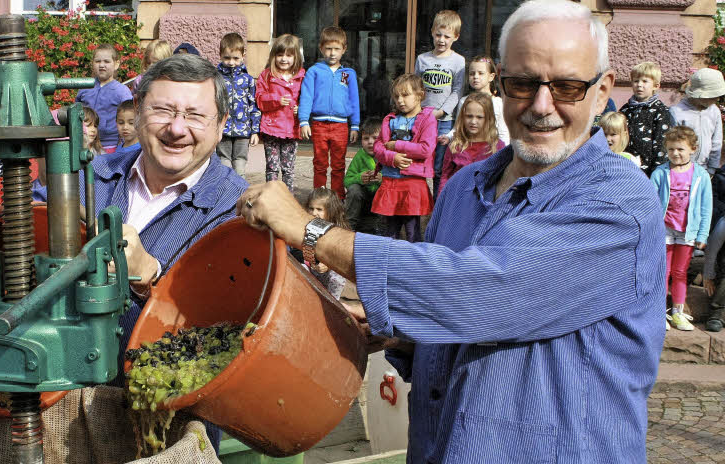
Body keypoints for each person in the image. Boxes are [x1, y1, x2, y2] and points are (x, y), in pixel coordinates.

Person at [236, 1, 664, 461]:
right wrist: (400, 334)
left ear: (603, 92)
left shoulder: (620, 202)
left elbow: (478, 289)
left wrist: (310, 229)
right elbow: (448, 310)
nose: (542, 106)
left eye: (567, 87)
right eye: (522, 83)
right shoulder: (464, 187)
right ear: (501, 82)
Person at [31, 54, 248, 450]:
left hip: (171, 431)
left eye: (195, 116)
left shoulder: (238, 211)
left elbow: (234, 334)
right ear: (138, 111)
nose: (176, 129)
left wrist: (153, 277)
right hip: (68, 418)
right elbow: (27, 230)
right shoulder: (90, 176)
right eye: (163, 110)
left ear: (220, 128)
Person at [652, 126, 711, 331]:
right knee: (663, 271)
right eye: (671, 150)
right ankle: (658, 312)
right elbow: (650, 203)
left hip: (687, 232)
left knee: (680, 272)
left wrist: (702, 234)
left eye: (680, 149)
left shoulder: (701, 176)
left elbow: (706, 208)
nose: (675, 154)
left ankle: (678, 312)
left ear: (692, 149)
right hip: (665, 230)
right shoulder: (660, 173)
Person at [370, 73, 436, 242]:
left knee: (413, 231)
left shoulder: (428, 119)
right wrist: (392, 158)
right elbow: (378, 147)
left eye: (405, 95)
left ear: (420, 95)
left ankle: (414, 265)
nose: (400, 100)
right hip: (391, 183)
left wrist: (397, 145)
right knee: (390, 232)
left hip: (412, 184)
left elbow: (426, 149)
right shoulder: (390, 119)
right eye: (397, 96)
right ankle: (388, 263)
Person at [298, 26, 361, 200]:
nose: (332, 53)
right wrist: (304, 121)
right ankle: (319, 195)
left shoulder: (348, 74)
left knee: (339, 163)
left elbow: (354, 99)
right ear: (321, 48)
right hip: (319, 124)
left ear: (344, 49)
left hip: (341, 125)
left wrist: (355, 124)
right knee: (320, 162)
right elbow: (307, 96)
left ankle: (337, 196)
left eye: (337, 49)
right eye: (328, 48)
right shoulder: (314, 71)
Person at [416, 10, 465, 187]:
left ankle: (437, 207)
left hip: (445, 120)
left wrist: (441, 111)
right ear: (432, 33)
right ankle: (421, 205)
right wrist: (419, 112)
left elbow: (457, 91)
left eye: (447, 36)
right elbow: (417, 88)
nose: (441, 40)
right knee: (420, 164)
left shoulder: (459, 61)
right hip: (423, 118)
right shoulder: (422, 59)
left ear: (456, 37)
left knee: (439, 167)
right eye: (438, 35)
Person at [257, 33, 305, 190]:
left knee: (288, 169)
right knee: (272, 168)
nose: (284, 59)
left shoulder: (302, 76)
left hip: (291, 129)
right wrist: (276, 100)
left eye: (289, 55)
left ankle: (288, 199)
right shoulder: (266, 76)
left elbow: (308, 96)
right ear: (273, 56)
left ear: (296, 56)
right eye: (280, 55)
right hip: (271, 128)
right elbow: (260, 99)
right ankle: (271, 198)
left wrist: (302, 108)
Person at [438, 91, 506, 193]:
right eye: (469, 116)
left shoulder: (497, 147)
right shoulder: (455, 145)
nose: (473, 122)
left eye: (479, 117)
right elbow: (445, 177)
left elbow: (502, 181)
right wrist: (441, 203)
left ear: (488, 118)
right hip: (457, 200)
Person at [216, 32, 261, 175]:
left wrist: (255, 131)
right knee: (223, 160)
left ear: (243, 55)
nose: (231, 62)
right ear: (220, 55)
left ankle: (238, 191)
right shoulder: (216, 78)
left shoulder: (248, 80)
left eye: (236, 58)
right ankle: (226, 191)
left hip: (243, 130)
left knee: (240, 161)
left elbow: (253, 106)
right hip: (222, 130)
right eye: (227, 58)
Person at [438, 55, 509, 146]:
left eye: (480, 73)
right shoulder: (464, 101)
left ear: (491, 76)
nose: (475, 77)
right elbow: (458, 127)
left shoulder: (498, 103)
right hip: (468, 150)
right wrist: (449, 137)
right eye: (472, 73)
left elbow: (503, 133)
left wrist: (504, 155)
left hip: (490, 151)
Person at [76, 43, 134, 153]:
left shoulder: (121, 91)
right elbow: (76, 112)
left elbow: (130, 117)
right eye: (98, 61)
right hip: (86, 144)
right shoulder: (84, 87)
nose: (102, 65)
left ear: (116, 64)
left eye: (106, 61)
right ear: (92, 63)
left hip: (111, 145)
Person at [621, 61, 673, 175]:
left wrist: (657, 174)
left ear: (656, 86)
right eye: (636, 81)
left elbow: (662, 146)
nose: (639, 85)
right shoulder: (625, 110)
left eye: (645, 81)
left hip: (649, 172)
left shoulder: (661, 112)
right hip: (624, 169)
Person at [670, 68, 725, 175]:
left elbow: (716, 143)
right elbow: (672, 144)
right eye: (714, 96)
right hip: (682, 169)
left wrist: (712, 168)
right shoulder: (677, 112)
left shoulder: (714, 111)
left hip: (706, 169)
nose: (717, 99)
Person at [303, 188, 348, 299]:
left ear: (330, 211)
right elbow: (296, 249)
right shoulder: (304, 227)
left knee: (337, 277)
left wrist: (328, 265)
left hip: (329, 272)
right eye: (311, 208)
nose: (314, 213)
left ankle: (333, 302)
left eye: (319, 209)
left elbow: (341, 257)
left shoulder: (337, 231)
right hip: (310, 269)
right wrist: (311, 263)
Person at [342, 117, 382, 232]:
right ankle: (349, 227)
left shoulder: (386, 156)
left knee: (387, 189)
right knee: (354, 189)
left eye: (375, 138)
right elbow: (347, 180)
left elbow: (394, 180)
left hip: (380, 204)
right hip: (362, 201)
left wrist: (381, 178)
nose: (370, 142)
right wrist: (359, 178)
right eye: (366, 138)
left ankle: (382, 227)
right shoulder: (360, 156)